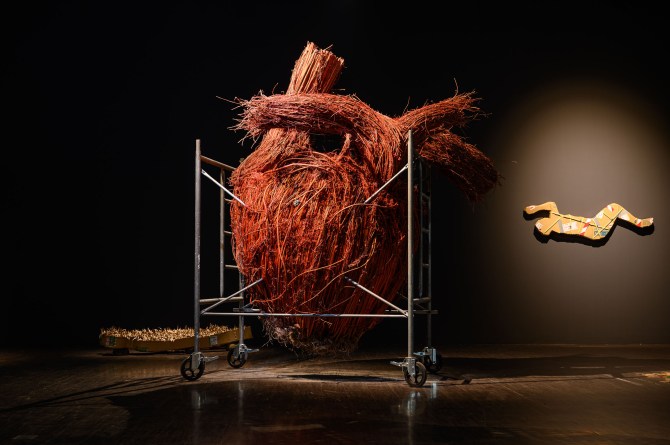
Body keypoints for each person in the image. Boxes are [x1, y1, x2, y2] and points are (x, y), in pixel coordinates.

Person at [524, 201, 653, 240]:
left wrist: (535, 209)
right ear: (545, 230)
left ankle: (639, 223)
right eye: (542, 223)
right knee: (615, 208)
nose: (543, 219)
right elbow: (551, 206)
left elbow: (551, 204)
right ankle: (640, 223)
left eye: (541, 220)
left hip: (593, 223)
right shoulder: (556, 226)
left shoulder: (555, 219)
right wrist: (536, 210)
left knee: (615, 208)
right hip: (596, 231)